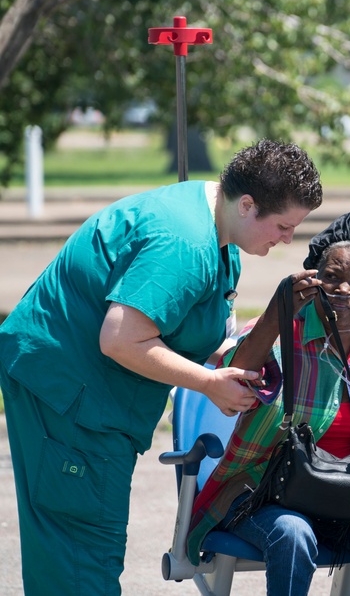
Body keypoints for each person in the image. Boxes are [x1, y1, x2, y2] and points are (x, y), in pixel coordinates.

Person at [0, 139, 323, 595]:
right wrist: (209, 383)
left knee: (75, 548)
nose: (288, 238)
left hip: (82, 388)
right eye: (284, 226)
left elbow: (178, 328)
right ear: (247, 204)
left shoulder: (219, 225)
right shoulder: (184, 244)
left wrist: (238, 342)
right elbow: (119, 338)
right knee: (81, 552)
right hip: (68, 395)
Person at [187, 212, 350, 596]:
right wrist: (274, 313)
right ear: (313, 276)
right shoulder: (283, 331)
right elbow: (237, 375)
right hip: (264, 492)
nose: (343, 290)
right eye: (331, 276)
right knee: (293, 534)